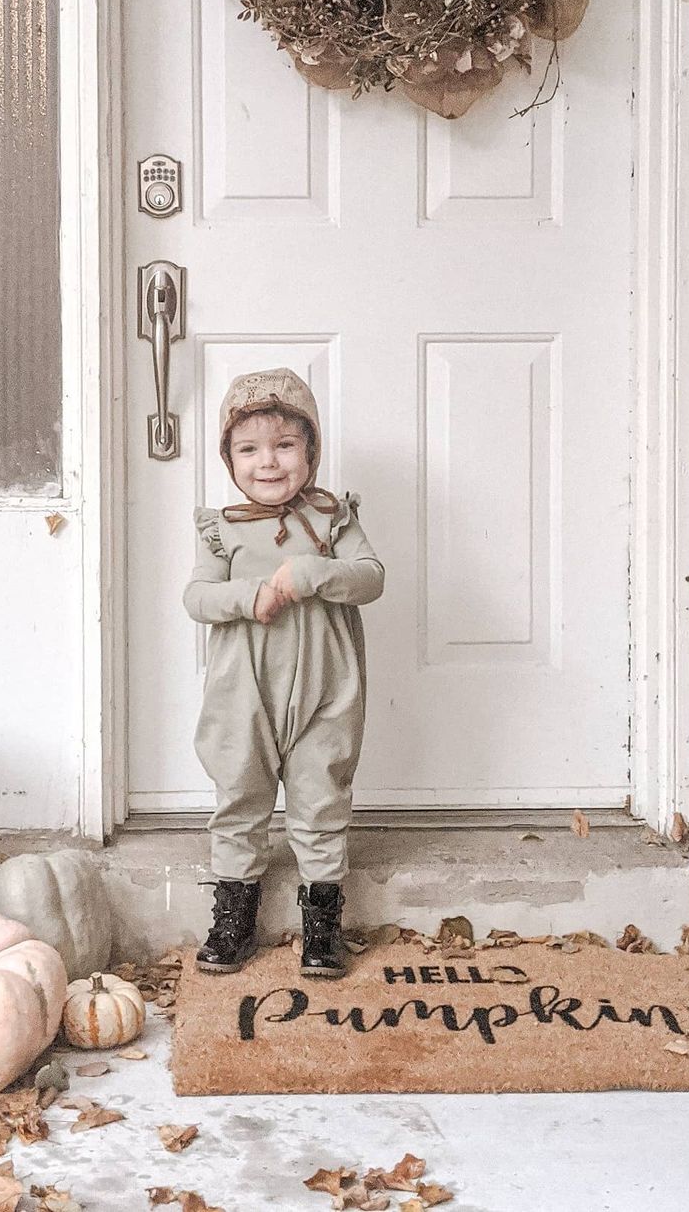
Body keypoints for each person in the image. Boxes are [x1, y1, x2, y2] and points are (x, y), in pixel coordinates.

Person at [183, 367, 385, 979]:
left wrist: (311, 573)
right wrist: (250, 596)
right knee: (240, 794)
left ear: (311, 450)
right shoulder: (220, 527)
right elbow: (196, 598)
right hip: (240, 693)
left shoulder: (331, 518)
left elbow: (371, 577)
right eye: (249, 449)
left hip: (326, 687)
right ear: (229, 458)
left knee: (321, 793)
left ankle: (321, 920)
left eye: (285, 445)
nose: (267, 462)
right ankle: (235, 912)